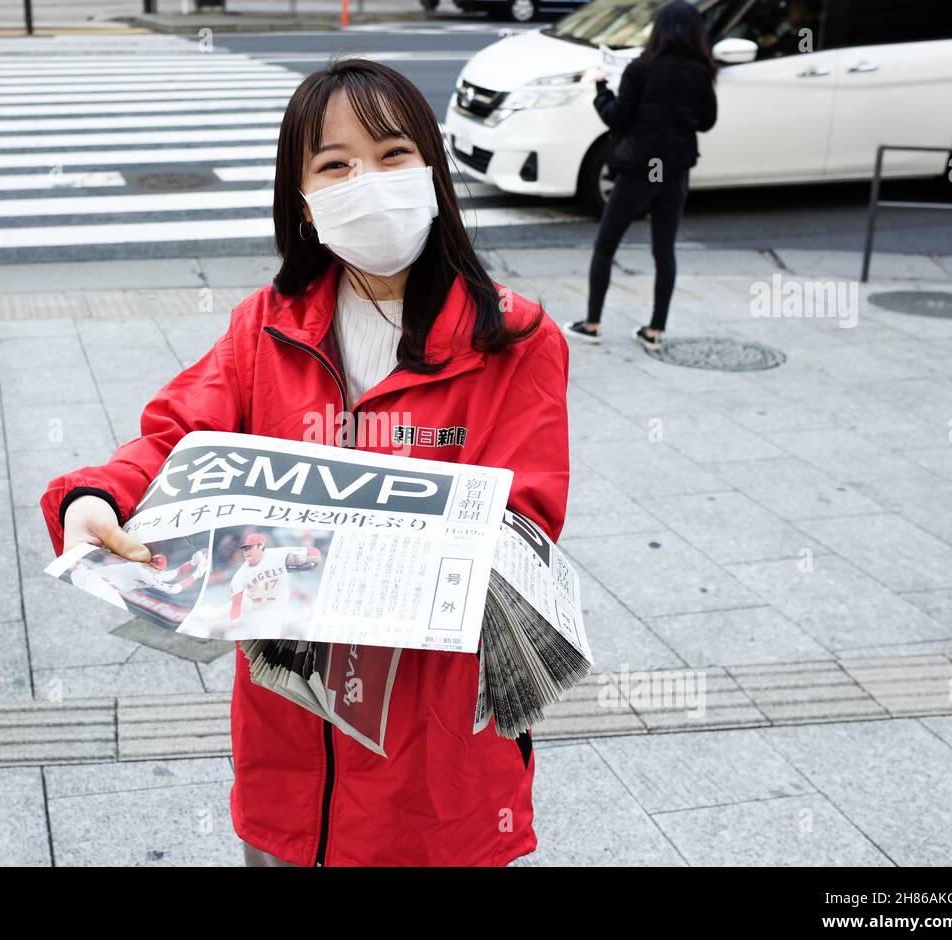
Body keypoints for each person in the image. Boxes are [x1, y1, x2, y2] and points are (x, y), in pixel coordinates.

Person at [40, 58, 570, 868]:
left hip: (431, 763)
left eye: (393, 154)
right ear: (306, 200)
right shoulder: (267, 325)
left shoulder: (516, 342)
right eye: (335, 164)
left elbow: (524, 523)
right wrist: (97, 496)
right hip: (292, 750)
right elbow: (180, 436)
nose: (370, 180)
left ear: (431, 169)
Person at [565, 1, 718, 351]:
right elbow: (707, 121)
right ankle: (655, 330)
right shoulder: (701, 71)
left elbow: (617, 117)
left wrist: (601, 89)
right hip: (675, 170)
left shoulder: (641, 68)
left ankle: (592, 323)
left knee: (606, 245)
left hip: (640, 169)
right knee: (664, 251)